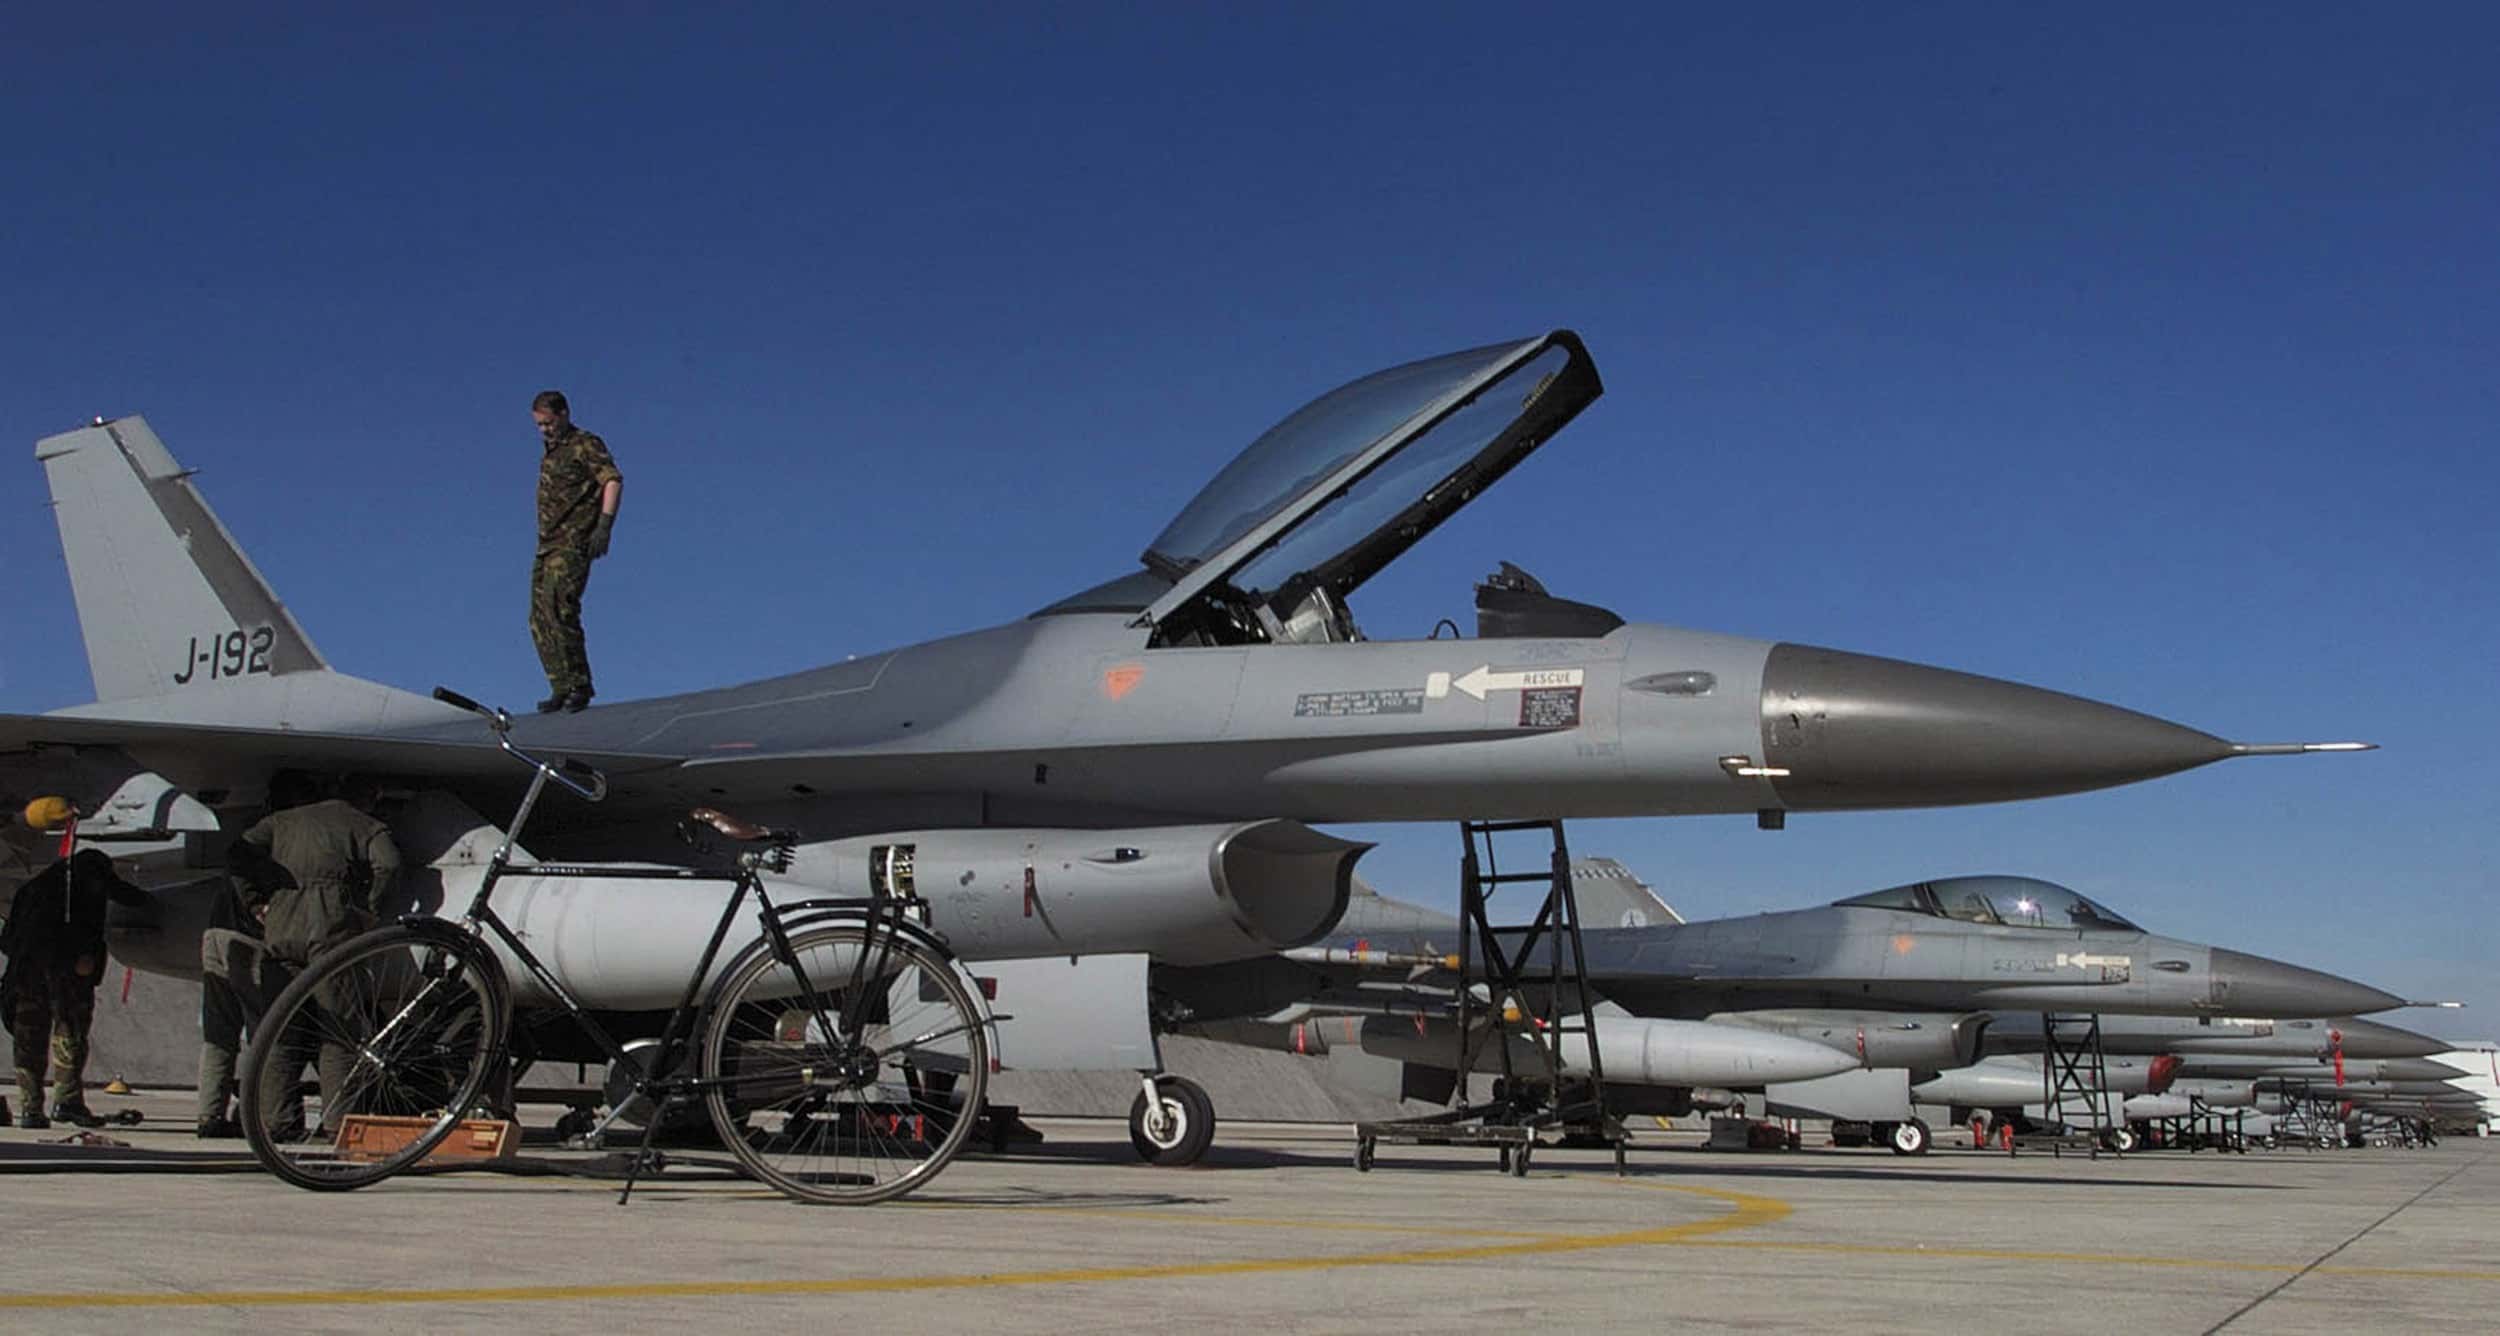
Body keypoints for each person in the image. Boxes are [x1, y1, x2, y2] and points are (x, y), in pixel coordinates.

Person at [230, 771, 403, 1138]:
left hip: (282, 927)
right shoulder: (366, 825)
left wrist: (255, 902)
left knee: (280, 1030)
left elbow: (238, 854)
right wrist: (369, 909)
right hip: (331, 932)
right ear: (371, 797)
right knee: (339, 1031)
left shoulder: (282, 821)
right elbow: (389, 864)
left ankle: (275, 1122)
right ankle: (338, 1121)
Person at [2, 848, 148, 1129]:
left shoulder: (33, 889)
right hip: (65, 973)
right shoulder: (82, 886)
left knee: (29, 1041)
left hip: (26, 973)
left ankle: (31, 1108)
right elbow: (123, 896)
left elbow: (7, 940)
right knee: (70, 1036)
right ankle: (67, 1102)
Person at [529, 389, 622, 713]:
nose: (545, 430)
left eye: (549, 423)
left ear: (564, 414)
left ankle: (579, 685)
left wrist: (605, 526)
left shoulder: (584, 444)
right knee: (539, 618)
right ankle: (561, 686)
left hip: (571, 543)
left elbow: (611, 480)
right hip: (547, 545)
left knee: (561, 607)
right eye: (540, 425)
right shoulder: (551, 453)